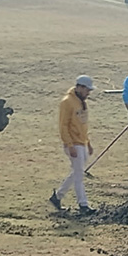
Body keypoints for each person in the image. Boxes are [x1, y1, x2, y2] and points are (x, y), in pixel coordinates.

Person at [49, 75, 96, 215]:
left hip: (81, 142)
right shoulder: (67, 102)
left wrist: (88, 142)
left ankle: (57, 196)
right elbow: (63, 125)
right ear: (80, 87)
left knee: (77, 172)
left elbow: (82, 124)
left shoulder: (81, 102)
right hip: (74, 143)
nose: (88, 93)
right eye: (87, 90)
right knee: (79, 175)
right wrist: (69, 145)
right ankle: (83, 204)